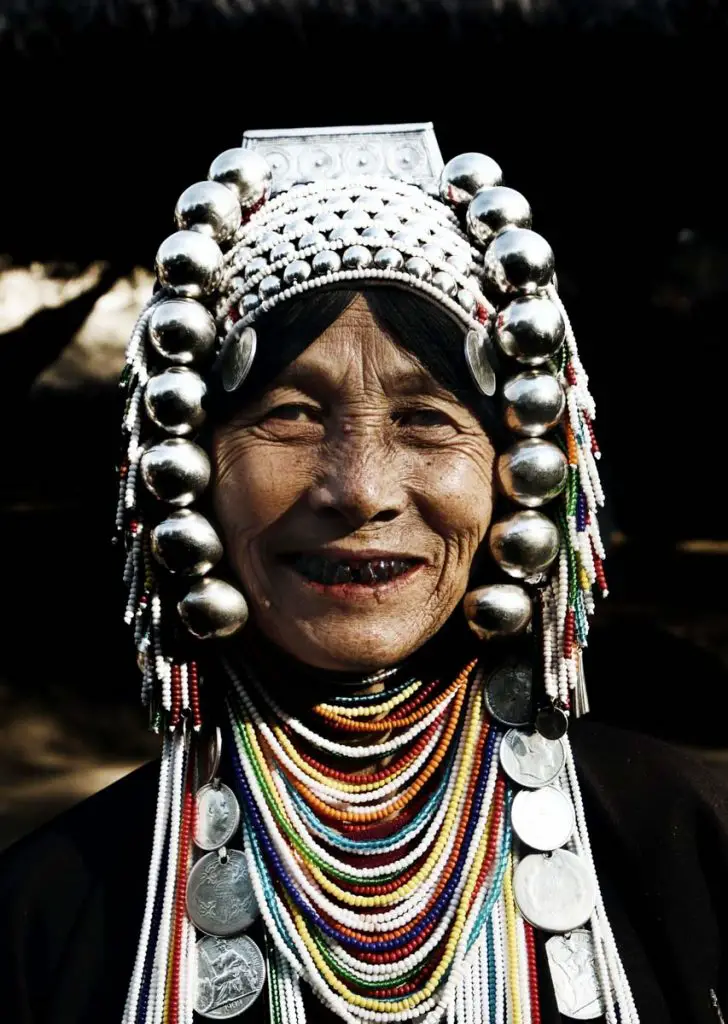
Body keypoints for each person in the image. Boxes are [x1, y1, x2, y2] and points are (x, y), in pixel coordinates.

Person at [1, 123, 727, 1024]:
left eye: (427, 420)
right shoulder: (47, 918)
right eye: (293, 416)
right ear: (185, 472)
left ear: (523, 469)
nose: (360, 490)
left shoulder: (694, 851)